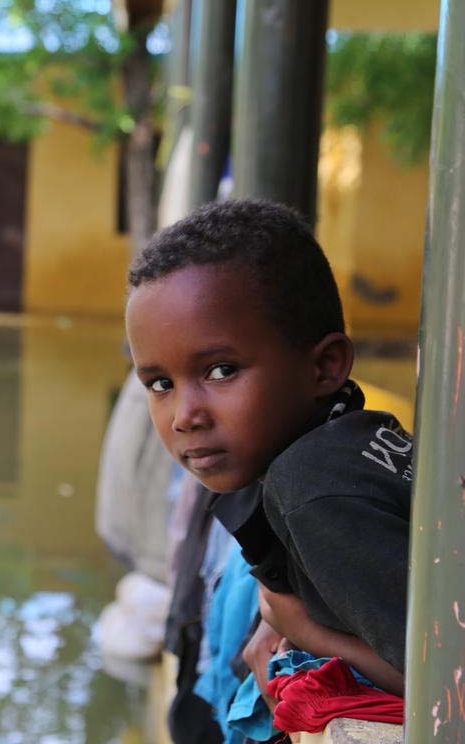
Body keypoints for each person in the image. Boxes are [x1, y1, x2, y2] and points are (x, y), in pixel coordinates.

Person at [124, 198, 411, 705]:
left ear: (324, 366)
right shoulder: (358, 439)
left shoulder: (315, 489)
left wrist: (307, 632)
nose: (184, 415)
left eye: (221, 371)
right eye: (161, 382)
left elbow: (445, 685)